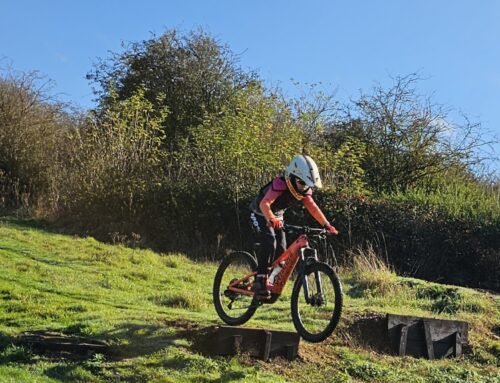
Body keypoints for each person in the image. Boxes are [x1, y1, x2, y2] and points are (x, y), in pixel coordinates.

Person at [249, 154, 338, 298]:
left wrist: (326, 225)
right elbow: (264, 204)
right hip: (259, 213)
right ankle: (260, 280)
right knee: (269, 241)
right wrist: (271, 218)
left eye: (307, 185)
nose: (304, 188)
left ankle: (270, 281)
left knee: (283, 250)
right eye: (302, 183)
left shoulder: (303, 190)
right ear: (292, 177)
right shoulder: (280, 184)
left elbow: (313, 208)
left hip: (277, 217)